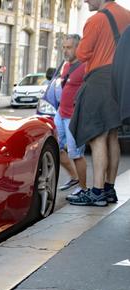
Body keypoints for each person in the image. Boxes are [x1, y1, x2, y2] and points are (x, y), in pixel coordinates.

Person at [69, 0, 130, 206]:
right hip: (120, 79)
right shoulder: (127, 15)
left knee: (97, 137)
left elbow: (82, 54)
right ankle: (109, 189)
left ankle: (96, 193)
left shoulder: (95, 20)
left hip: (100, 80)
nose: (85, 0)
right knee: (112, 135)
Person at [51, 35, 88, 199]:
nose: (65, 51)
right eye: (64, 47)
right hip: (61, 113)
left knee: (76, 154)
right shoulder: (66, 66)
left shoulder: (85, 66)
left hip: (74, 116)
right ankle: (74, 178)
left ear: (78, 47)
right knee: (55, 147)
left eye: (69, 47)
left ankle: (84, 188)